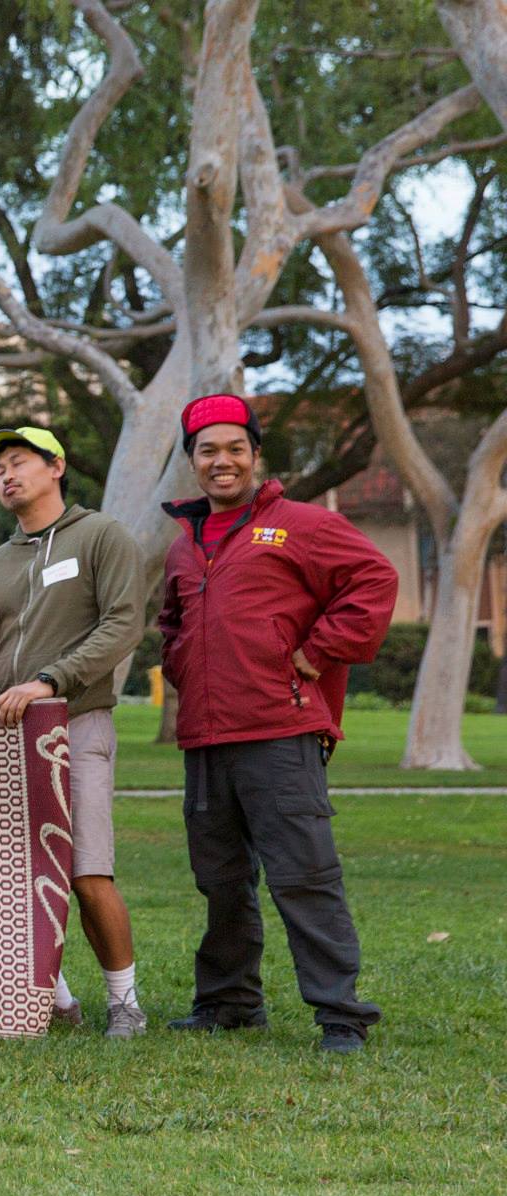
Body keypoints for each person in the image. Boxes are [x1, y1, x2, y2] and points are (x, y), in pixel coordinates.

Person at [158, 394, 395, 1054]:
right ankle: (230, 1002)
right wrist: (182, 664)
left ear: (256, 455)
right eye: (208, 450)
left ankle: (340, 1016)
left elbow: (375, 579)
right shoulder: (183, 547)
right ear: (192, 461)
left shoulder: (303, 525)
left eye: (235, 448)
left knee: (304, 876)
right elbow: (171, 623)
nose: (222, 461)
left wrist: (319, 651)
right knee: (221, 881)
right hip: (206, 738)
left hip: (279, 732)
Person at [0, 425, 147, 1037]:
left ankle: (125, 1005)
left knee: (87, 871)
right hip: (2, 733)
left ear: (56, 467)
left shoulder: (101, 536)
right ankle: (54, 1001)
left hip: (77, 723)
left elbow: (123, 625)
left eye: (19, 461)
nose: (7, 475)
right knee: (9, 873)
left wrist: (51, 681)